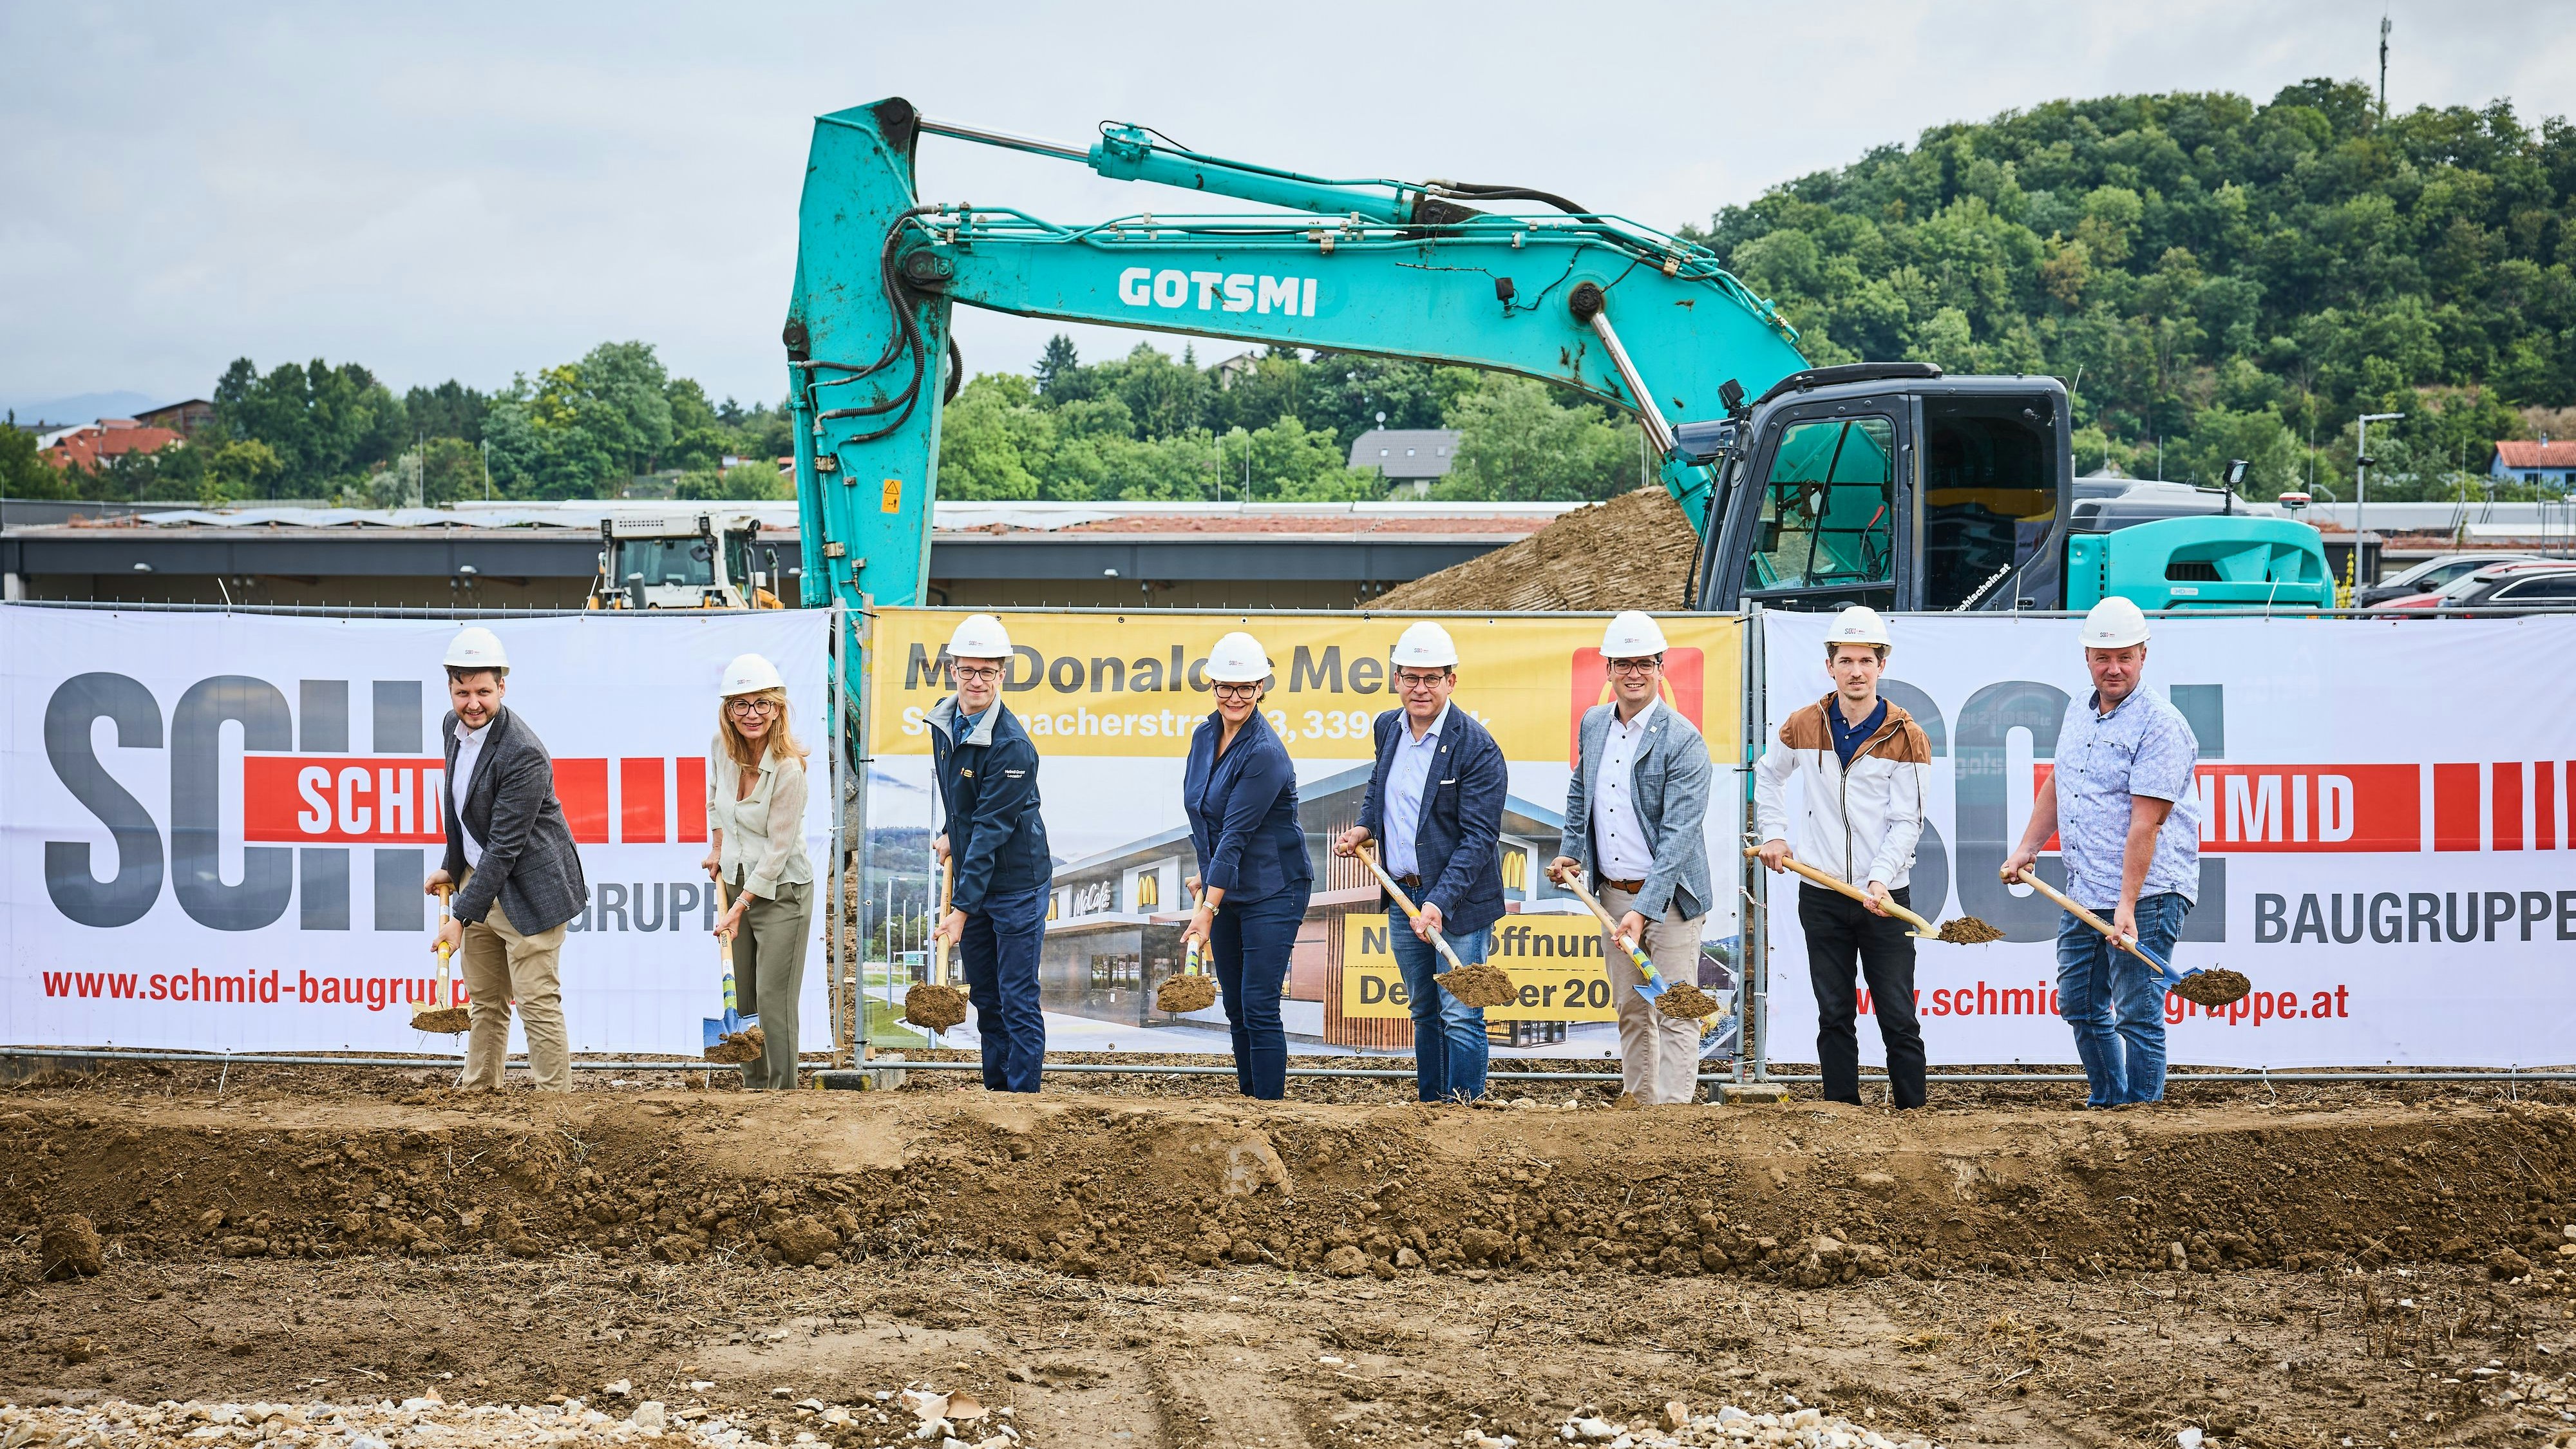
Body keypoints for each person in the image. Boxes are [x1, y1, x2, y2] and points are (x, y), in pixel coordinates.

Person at [2001, 597, 2204, 1109]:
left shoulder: (2161, 724)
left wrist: (2127, 908)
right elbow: (2059, 784)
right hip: (2084, 887)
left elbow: (2147, 824)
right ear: (2087, 657)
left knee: (2137, 1008)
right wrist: (2029, 846)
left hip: (2149, 893)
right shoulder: (2079, 709)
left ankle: (2141, 1118)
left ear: (2144, 656)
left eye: (2125, 658)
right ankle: (2111, 1105)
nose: (2113, 668)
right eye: (2102, 657)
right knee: (2079, 1001)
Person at [1751, 605, 1933, 1109]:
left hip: (1885, 897)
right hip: (1823, 893)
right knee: (1833, 1010)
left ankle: (1914, 1115)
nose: (1857, 671)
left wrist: (1878, 880)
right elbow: (1768, 775)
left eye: (1866, 661)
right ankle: (1841, 1113)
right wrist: (1775, 834)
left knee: (1897, 1012)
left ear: (1882, 665)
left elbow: (1907, 822)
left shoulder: (1906, 735)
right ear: (1829, 665)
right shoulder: (1805, 724)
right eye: (1846, 660)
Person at [1332, 621, 1507, 1104]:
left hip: (1458, 903)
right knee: (1424, 1008)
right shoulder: (1388, 726)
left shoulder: (1477, 748)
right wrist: (1365, 828)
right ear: (1396, 678)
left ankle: (1464, 1109)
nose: (1420, 688)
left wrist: (1438, 903)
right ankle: (1432, 1108)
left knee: (1460, 1011)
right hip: (1401, 893)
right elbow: (1378, 788)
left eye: (1432, 678)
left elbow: (1478, 839)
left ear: (1453, 680)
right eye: (1411, 677)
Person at [1547, 611, 1714, 1108]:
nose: (1634, 674)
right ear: (1609, 670)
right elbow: (1582, 793)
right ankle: (1639, 1108)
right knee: (1630, 1009)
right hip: (1614, 896)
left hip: (1671, 902)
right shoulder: (1595, 724)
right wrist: (1571, 852)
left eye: (1644, 663)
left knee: (1675, 1008)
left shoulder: (1684, 741)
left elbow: (1678, 838)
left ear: (1661, 668)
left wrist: (1645, 912)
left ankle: (1671, 1119)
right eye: (1624, 664)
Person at [425, 626, 590, 1092]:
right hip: (480, 881)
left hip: (530, 889)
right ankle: (478, 1091)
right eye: (462, 692)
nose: (472, 703)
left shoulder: (524, 754)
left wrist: (459, 918)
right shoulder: (451, 729)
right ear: (451, 689)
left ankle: (554, 1108)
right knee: (485, 999)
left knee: (536, 1000)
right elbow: (458, 810)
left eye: (483, 691)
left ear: (503, 686)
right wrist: (452, 865)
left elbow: (504, 846)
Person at [1179, 632, 1314, 1101]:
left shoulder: (1265, 754)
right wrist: (1208, 875)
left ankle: (1269, 1110)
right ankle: (1248, 1102)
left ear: (1262, 688)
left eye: (1246, 687)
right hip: (1229, 885)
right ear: (1212, 686)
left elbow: (1236, 833)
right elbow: (1203, 816)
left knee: (1258, 1004)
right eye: (1225, 687)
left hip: (1276, 888)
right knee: (1235, 1005)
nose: (1234, 697)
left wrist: (1206, 910)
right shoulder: (1203, 737)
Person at [927, 613, 1052, 1094]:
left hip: (1017, 883)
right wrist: (946, 831)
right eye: (967, 670)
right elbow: (961, 800)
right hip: (977, 876)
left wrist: (960, 910)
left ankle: (1023, 1104)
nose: (976, 681)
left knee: (1017, 996)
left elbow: (990, 828)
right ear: (953, 670)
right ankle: (996, 1097)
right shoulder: (944, 721)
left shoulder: (1013, 747)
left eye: (987, 672)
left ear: (1003, 675)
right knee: (986, 996)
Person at [700, 652, 813, 1091]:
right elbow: (715, 801)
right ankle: (754, 1090)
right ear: (728, 710)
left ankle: (782, 1098)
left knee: (772, 1000)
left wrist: (742, 906)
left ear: (778, 709)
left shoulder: (789, 770)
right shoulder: (720, 748)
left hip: (782, 892)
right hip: (735, 882)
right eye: (741, 704)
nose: (752, 714)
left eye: (762, 704)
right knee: (741, 997)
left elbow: (779, 850)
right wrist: (717, 849)